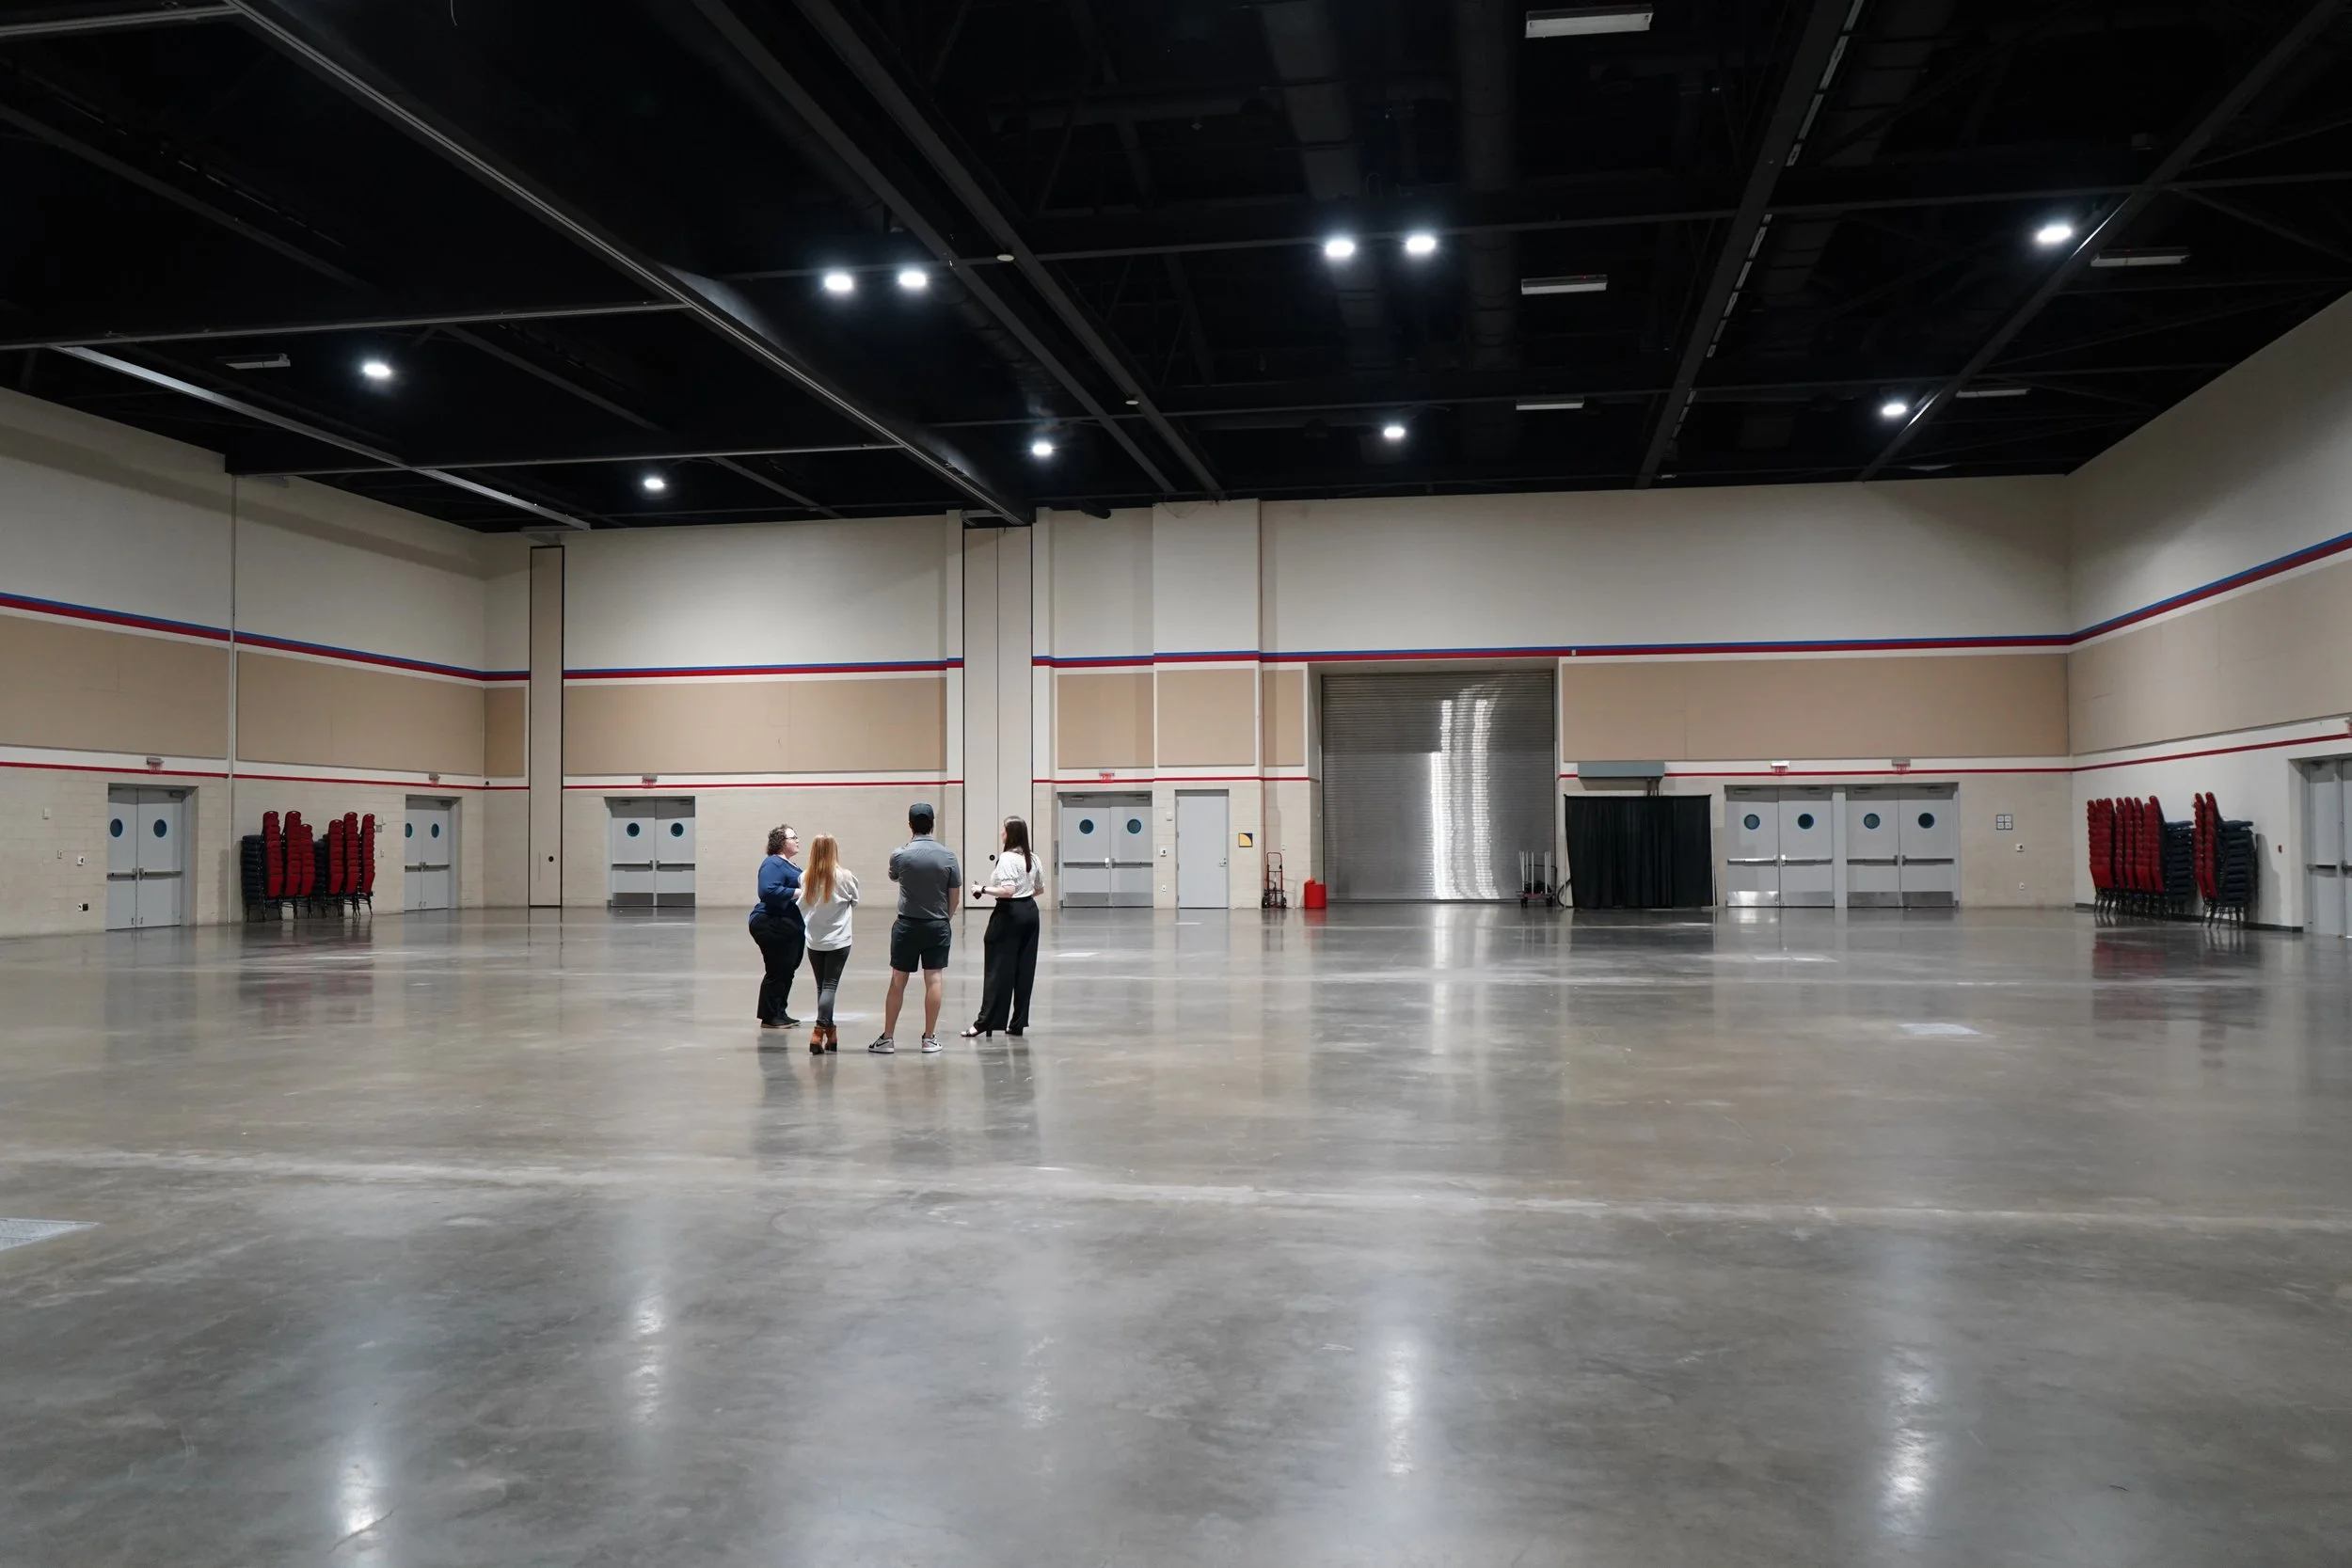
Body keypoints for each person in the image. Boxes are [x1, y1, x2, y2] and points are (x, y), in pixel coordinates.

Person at [868, 801, 960, 1055]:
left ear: (910, 824)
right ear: (932, 825)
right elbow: (955, 896)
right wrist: (945, 919)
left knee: (898, 980)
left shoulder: (900, 854)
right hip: (937, 925)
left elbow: (894, 876)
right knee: (934, 979)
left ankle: (887, 1038)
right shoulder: (948, 856)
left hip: (907, 925)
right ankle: (929, 1038)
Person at [962, 816, 1041, 1038]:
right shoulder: (1033, 858)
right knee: (1024, 969)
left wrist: (983, 889)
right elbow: (1039, 889)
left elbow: (1007, 890)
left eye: (1004, 830)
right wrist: (1024, 900)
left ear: (1011, 833)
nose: (1001, 834)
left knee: (997, 969)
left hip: (1008, 915)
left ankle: (985, 1022)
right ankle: (1017, 1023)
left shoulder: (1006, 858)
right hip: (1030, 913)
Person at [794, 833, 858, 1054]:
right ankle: (818, 1031)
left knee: (822, 987)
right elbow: (855, 899)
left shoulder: (805, 877)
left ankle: (831, 1034)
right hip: (839, 940)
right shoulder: (845, 876)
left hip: (814, 940)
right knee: (830, 987)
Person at [748, 824, 803, 1032]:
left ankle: (779, 1012)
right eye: (793, 837)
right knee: (778, 969)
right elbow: (767, 891)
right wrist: (801, 892)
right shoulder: (773, 863)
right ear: (781, 842)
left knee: (787, 969)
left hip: (786, 923)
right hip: (770, 922)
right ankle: (770, 1015)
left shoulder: (789, 864)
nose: (798, 840)